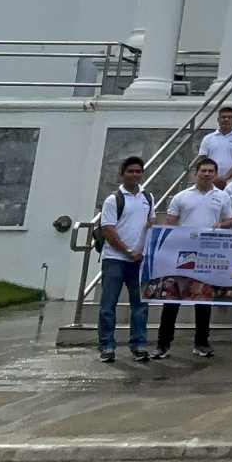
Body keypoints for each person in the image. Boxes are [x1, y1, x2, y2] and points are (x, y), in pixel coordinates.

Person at [153, 158, 230, 358]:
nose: (207, 174)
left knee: (203, 301)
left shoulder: (222, 196)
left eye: (211, 171)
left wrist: (222, 224)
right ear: (196, 173)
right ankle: (163, 345)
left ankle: (202, 343)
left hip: (208, 254)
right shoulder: (181, 196)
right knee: (172, 300)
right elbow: (170, 224)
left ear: (215, 174)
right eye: (203, 170)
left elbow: (229, 218)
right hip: (182, 254)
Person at [95, 155, 153, 362]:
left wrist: (143, 250)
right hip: (115, 259)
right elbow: (108, 230)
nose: (135, 175)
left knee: (140, 305)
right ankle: (107, 346)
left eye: (138, 171)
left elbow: (150, 223)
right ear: (122, 174)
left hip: (139, 261)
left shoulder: (148, 197)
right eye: (130, 171)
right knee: (108, 305)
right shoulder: (113, 200)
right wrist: (128, 251)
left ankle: (138, 344)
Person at [196, 107, 232, 188]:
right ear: (218, 119)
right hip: (211, 181)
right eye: (223, 117)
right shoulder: (208, 138)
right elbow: (202, 159)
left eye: (230, 117)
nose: (226, 119)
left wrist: (225, 178)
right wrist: (214, 178)